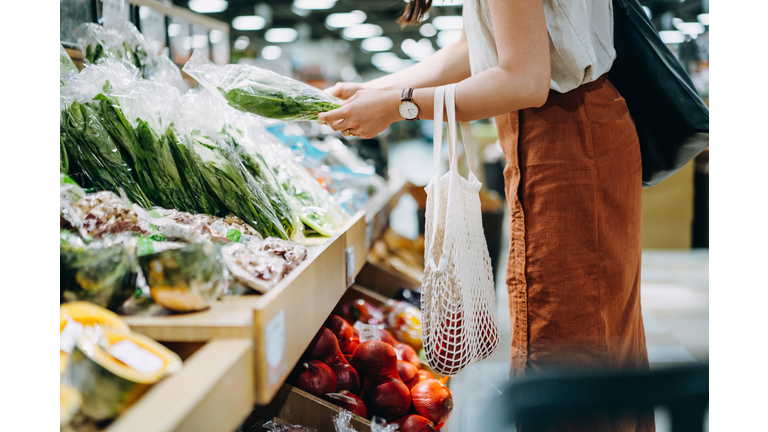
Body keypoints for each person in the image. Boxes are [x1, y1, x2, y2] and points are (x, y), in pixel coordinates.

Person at [319, 0, 654, 430]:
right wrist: (374, 91)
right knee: (598, 342)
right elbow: (470, 50)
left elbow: (525, 80)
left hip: (565, 139)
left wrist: (398, 105)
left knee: (573, 350)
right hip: (569, 132)